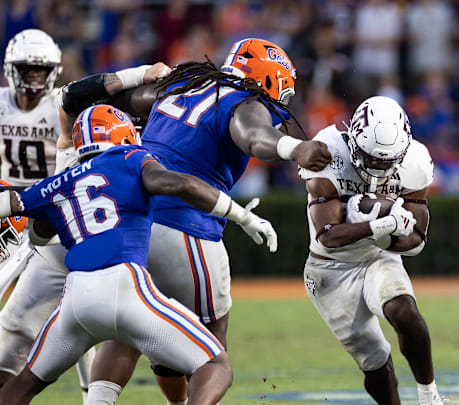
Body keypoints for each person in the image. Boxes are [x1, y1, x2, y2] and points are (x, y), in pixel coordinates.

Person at [60, 38, 331, 404]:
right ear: (267, 78)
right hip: (187, 227)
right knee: (212, 351)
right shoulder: (243, 100)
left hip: (129, 218)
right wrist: (295, 148)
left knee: (126, 326)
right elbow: (255, 136)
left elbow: (114, 107)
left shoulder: (180, 84)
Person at [0, 103, 272, 404]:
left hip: (75, 302)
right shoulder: (129, 157)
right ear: (125, 134)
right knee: (215, 364)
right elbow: (179, 184)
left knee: (26, 383)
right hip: (125, 286)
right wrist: (242, 216)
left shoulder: (57, 184)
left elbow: (21, 216)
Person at [300, 96, 443, 405]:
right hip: (329, 269)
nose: (378, 167)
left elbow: (418, 237)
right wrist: (381, 227)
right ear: (352, 141)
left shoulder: (414, 161)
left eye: (387, 161)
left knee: (403, 309)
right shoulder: (328, 152)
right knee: (374, 357)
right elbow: (328, 235)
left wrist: (391, 239)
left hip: (378, 256)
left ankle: (429, 396)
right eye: (371, 158)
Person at [0, 28, 98, 401]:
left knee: (74, 303)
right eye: (28, 70)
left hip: (49, 215)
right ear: (12, 69)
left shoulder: (63, 106)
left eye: (41, 71)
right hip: (9, 214)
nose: (34, 79)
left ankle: (93, 393)